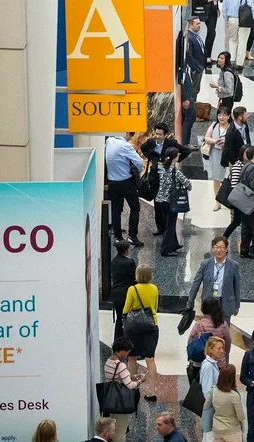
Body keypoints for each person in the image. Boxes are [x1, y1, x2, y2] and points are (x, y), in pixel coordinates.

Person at [122, 265, 160, 399]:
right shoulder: (154, 288)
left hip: (134, 327)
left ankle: (133, 386)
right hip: (151, 325)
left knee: (132, 357)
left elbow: (126, 309)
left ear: (137, 275)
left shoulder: (132, 289)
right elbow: (155, 307)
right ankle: (152, 391)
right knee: (150, 358)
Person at [105, 133, 145, 245]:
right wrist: (136, 172)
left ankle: (118, 237)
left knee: (116, 210)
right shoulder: (125, 146)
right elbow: (139, 162)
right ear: (127, 133)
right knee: (135, 207)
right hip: (126, 182)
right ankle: (132, 236)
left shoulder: (109, 141)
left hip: (112, 181)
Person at [188, 236, 241, 320]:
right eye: (216, 247)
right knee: (209, 329)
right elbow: (196, 283)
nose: (219, 250)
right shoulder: (205, 264)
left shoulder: (234, 265)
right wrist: (190, 301)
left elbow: (236, 287)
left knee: (224, 329)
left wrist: (237, 305)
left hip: (226, 303)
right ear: (213, 249)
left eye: (221, 247)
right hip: (209, 303)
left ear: (226, 249)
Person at [102, 339, 145, 442]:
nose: (127, 355)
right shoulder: (120, 365)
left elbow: (118, 378)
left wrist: (132, 376)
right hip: (120, 402)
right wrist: (140, 381)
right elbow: (130, 385)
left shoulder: (109, 361)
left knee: (112, 430)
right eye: (127, 352)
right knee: (120, 433)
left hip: (110, 400)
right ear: (121, 350)